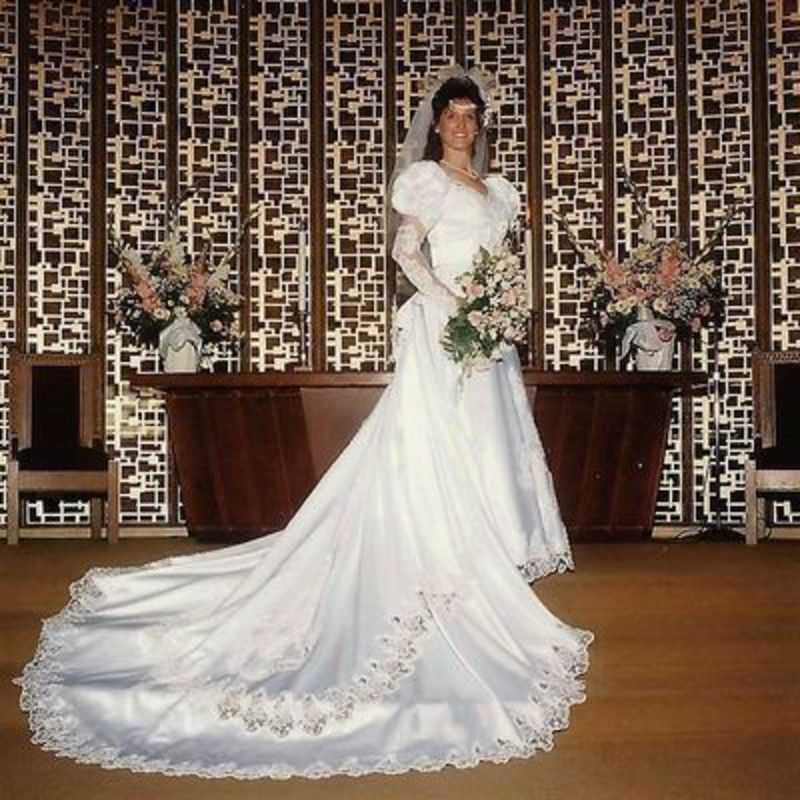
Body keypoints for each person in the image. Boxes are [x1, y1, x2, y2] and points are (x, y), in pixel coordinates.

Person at [16, 66, 592, 780]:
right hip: (445, 331)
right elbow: (404, 251)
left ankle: (489, 561)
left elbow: (504, 263)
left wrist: (501, 306)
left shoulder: (501, 192)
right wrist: (452, 302)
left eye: (472, 115)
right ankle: (448, 559)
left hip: (490, 340)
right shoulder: (424, 184)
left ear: (481, 124)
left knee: (493, 445)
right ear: (436, 123)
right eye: (451, 115)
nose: (461, 125)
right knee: (442, 444)